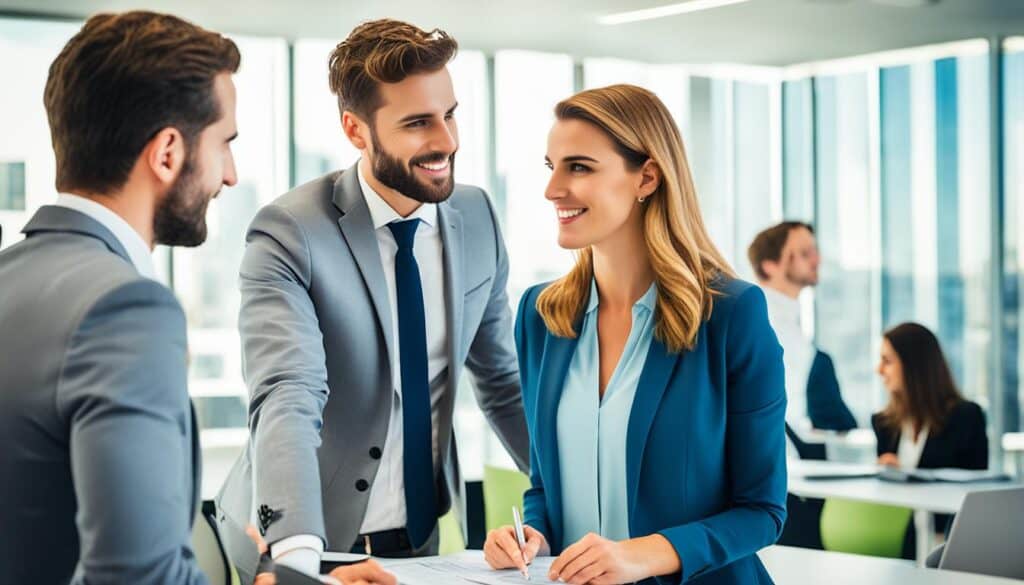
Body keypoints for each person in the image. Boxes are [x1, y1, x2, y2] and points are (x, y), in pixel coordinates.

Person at [216, 19, 530, 582]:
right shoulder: (290, 232)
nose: (446, 141)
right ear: (356, 130)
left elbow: (502, 382)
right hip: (308, 543)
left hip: (421, 543)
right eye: (417, 123)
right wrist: (296, 561)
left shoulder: (478, 216)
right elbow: (288, 392)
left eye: (450, 114)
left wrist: (574, 499)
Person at [483, 84, 787, 585]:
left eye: (579, 167)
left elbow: (762, 510)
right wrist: (532, 536)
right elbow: (546, 487)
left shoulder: (731, 315)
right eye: (552, 166)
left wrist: (647, 554)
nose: (553, 189)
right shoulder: (542, 317)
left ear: (646, 176)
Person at [0, 11, 239, 584]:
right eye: (225, 144)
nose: (230, 175)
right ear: (167, 153)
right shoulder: (128, 310)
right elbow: (137, 577)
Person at [748, 221, 857, 433]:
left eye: (815, 251)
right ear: (770, 265)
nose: (817, 260)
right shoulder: (763, 323)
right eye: (805, 253)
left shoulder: (786, 320)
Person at [873, 322, 987, 471]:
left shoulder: (965, 418)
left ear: (913, 365)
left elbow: (975, 481)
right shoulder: (884, 424)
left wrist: (906, 475)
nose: (879, 369)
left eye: (887, 361)